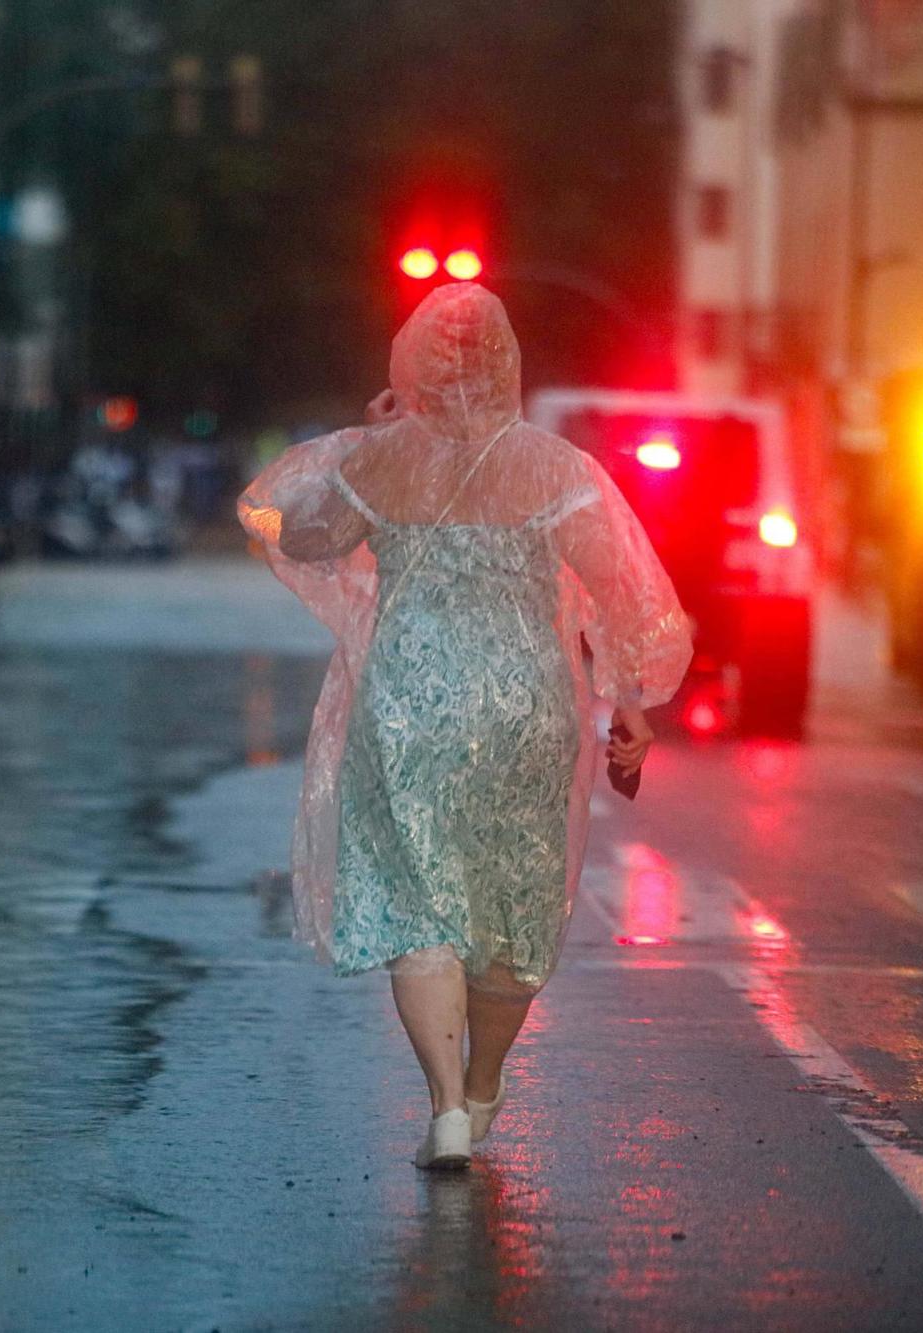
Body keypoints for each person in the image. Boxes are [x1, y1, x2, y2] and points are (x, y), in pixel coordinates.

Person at [238, 283, 691, 1170]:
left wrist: (373, 438)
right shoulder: (555, 469)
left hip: (408, 705)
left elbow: (294, 530)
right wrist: (630, 701)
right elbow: (623, 589)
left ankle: (446, 1105)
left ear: (409, 367)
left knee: (419, 910)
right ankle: (483, 1086)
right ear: (506, 364)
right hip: (526, 708)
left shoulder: (381, 463)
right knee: (513, 906)